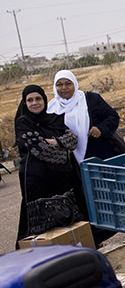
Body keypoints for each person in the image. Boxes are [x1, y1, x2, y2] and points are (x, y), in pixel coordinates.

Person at [14, 85, 87, 247]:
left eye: (38, 98)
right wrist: (65, 153)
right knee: (40, 222)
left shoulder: (54, 118)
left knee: (66, 216)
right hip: (37, 180)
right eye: (30, 100)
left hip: (61, 179)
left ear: (44, 100)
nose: (35, 103)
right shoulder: (23, 123)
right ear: (24, 103)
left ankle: (72, 248)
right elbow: (40, 150)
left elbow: (73, 140)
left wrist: (56, 142)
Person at [47, 69, 120, 163]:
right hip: (70, 162)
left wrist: (100, 129)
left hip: (98, 156)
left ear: (75, 84)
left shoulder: (91, 99)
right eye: (59, 84)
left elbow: (113, 117)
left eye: (68, 83)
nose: (64, 87)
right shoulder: (51, 108)